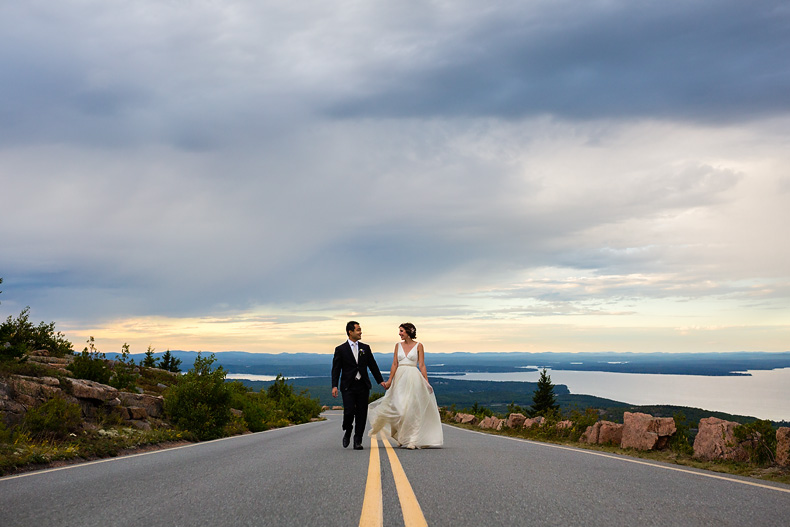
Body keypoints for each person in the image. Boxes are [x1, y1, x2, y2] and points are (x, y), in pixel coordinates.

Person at [367, 323, 443, 449]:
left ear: (408, 332)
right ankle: (399, 434)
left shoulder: (419, 346)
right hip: (400, 379)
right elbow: (394, 364)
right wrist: (390, 380)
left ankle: (413, 440)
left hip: (413, 378)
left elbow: (422, 365)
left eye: (401, 331)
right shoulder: (398, 346)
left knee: (413, 409)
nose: (399, 333)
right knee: (399, 409)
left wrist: (426, 382)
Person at [331, 321, 386, 450]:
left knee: (362, 413)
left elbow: (372, 365)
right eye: (358, 330)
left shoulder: (365, 348)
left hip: (363, 385)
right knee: (349, 411)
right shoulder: (340, 349)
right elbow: (336, 369)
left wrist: (380, 381)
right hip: (348, 386)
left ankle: (358, 440)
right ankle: (348, 429)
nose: (360, 332)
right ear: (350, 332)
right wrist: (334, 386)